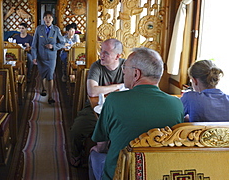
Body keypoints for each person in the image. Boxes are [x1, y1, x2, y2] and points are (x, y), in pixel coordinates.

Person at [89, 47, 184, 180]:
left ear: (136, 74)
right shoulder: (177, 104)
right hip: (158, 173)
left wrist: (98, 149)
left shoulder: (114, 100)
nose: (123, 72)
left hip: (121, 175)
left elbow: (102, 144)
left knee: (94, 155)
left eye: (125, 68)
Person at [69, 38, 125, 167]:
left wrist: (107, 89)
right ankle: (76, 155)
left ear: (118, 56)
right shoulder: (97, 66)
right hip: (95, 108)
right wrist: (119, 86)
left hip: (120, 110)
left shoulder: (126, 67)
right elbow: (93, 91)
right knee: (76, 130)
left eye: (106, 53)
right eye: (101, 51)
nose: (101, 55)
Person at [31, 11, 65, 104]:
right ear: (43, 19)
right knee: (42, 75)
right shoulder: (39, 29)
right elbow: (34, 45)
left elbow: (62, 43)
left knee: (50, 76)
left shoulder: (56, 29)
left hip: (51, 57)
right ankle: (43, 89)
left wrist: (53, 47)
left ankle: (50, 96)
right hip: (41, 56)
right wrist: (34, 57)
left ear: (52, 19)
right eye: (46, 17)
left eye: (50, 17)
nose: (48, 19)